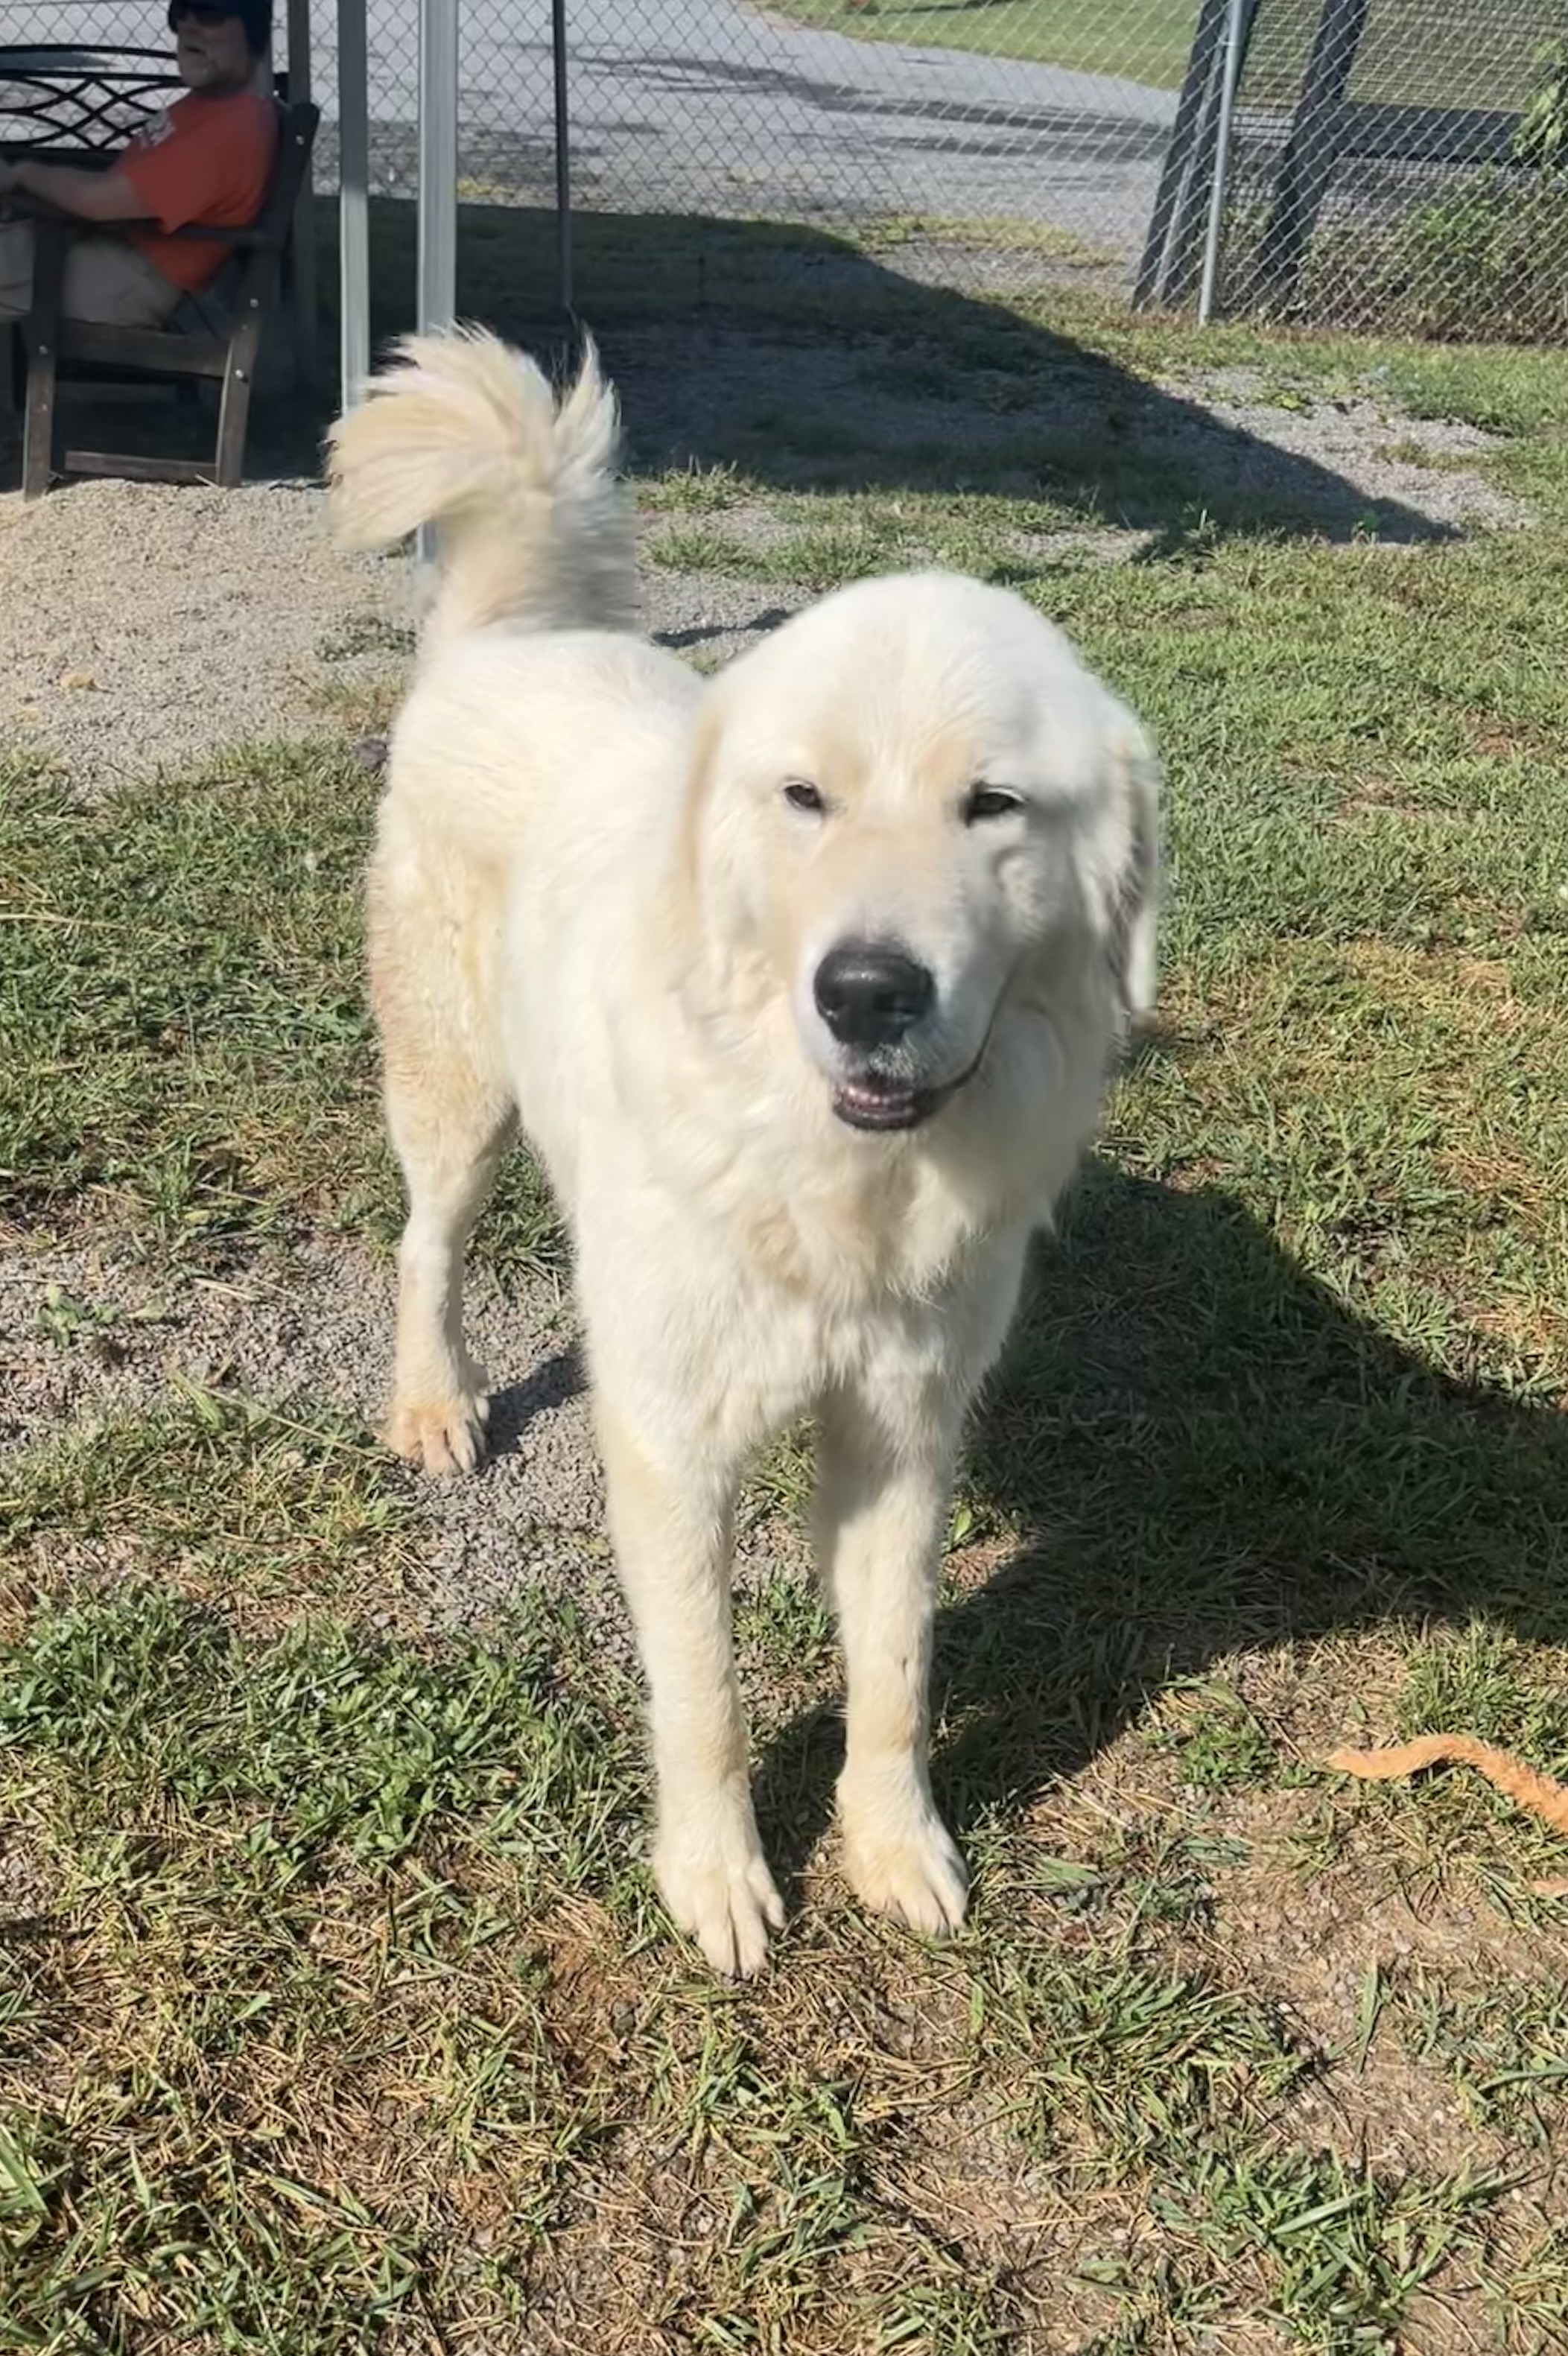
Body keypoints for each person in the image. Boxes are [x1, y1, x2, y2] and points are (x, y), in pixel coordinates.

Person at [0, 0, 279, 332]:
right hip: (105, 249)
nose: (189, 27)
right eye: (180, 16)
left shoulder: (228, 131)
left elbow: (97, 202)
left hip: (124, 279)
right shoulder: (216, 105)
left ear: (253, 31)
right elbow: (116, 190)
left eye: (210, 15)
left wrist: (23, 173)